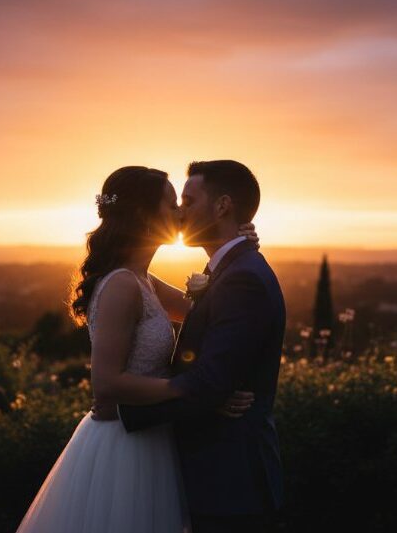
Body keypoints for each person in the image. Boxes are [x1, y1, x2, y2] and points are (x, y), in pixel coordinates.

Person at [14, 165, 260, 533]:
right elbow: (106, 383)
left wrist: (237, 251)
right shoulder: (121, 285)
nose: (180, 211)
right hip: (123, 446)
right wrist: (200, 392)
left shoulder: (144, 280)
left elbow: (204, 313)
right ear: (145, 215)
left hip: (153, 435)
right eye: (172, 203)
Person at [105, 160, 287, 533]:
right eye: (175, 203)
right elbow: (205, 375)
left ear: (221, 206)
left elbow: (210, 380)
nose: (180, 211)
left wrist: (127, 413)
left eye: (188, 200)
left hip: (231, 483)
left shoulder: (242, 279)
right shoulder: (222, 273)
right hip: (209, 477)